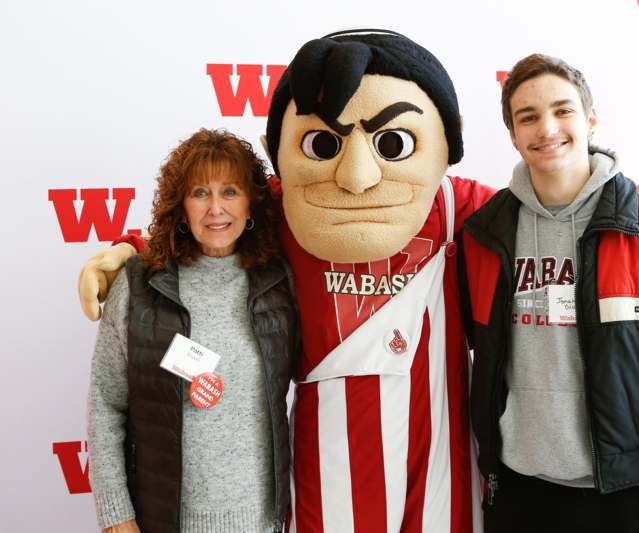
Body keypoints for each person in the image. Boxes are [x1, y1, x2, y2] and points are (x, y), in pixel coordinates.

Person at [80, 30, 493, 533]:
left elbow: (535, 219)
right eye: (325, 144)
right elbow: (209, 223)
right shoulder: (289, 205)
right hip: (325, 466)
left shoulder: (457, 206)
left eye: (391, 143)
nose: (358, 175)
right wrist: (129, 248)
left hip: (436, 461)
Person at [458, 54, 639, 533]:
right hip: (517, 489)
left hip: (619, 493)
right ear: (513, 135)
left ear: (590, 119)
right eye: (528, 117)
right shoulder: (483, 234)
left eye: (562, 111)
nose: (547, 128)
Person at [87, 128, 297, 533]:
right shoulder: (139, 286)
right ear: (181, 205)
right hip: (162, 521)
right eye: (200, 193)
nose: (215, 208)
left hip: (261, 522)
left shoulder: (278, 282)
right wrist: (116, 515)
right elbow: (105, 403)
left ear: (251, 202)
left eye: (230, 191)